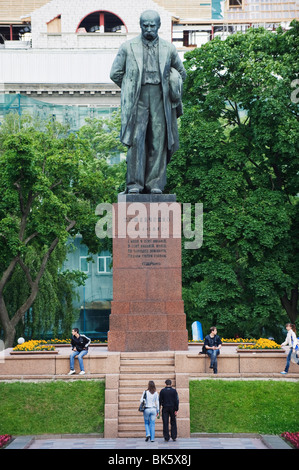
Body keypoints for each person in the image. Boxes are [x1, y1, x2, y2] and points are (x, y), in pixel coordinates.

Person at [110, 10, 186, 194]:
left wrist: (172, 84)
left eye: (153, 25)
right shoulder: (128, 47)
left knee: (158, 140)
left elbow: (181, 73)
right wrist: (130, 87)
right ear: (140, 26)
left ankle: (155, 184)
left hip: (161, 96)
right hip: (138, 97)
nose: (149, 29)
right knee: (137, 140)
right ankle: (134, 185)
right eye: (146, 25)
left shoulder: (169, 48)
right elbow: (115, 73)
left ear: (159, 26)